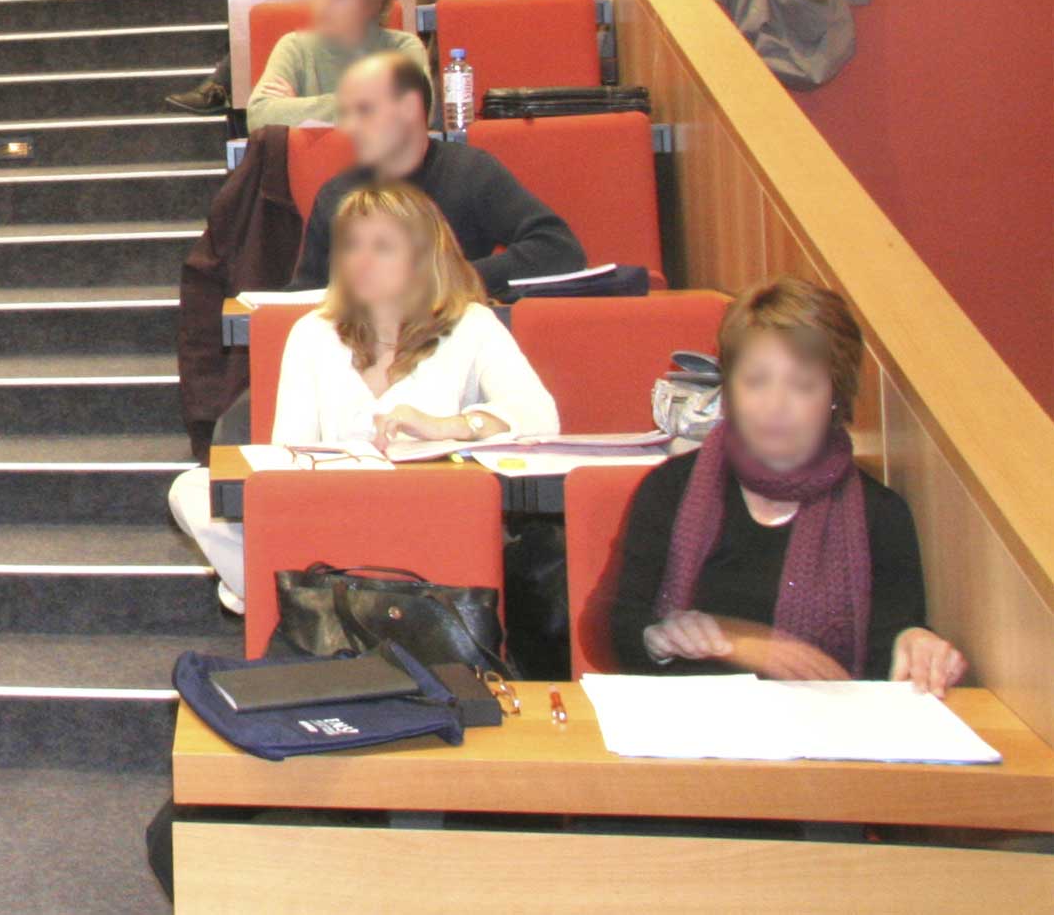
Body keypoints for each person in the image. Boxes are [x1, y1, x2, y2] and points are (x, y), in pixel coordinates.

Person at [167, 182, 559, 607]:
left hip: (432, 519)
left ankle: (298, 603)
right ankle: (315, 600)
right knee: (190, 489)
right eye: (352, 245)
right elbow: (285, 457)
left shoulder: (471, 325)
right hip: (333, 518)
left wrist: (452, 427)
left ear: (423, 257)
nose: (362, 261)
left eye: (382, 247)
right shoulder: (312, 332)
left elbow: (540, 416)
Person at [606, 277, 961, 692]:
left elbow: (889, 645)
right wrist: (658, 638)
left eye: (801, 384)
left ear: (834, 396)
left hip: (826, 740)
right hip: (696, 737)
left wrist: (915, 644)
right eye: (755, 381)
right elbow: (617, 627)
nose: (775, 405)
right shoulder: (669, 490)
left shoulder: (880, 514)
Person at [289, 53, 586, 294]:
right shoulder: (337, 194)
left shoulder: (470, 172)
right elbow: (308, 293)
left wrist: (451, 280)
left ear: (409, 107)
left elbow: (558, 249)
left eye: (365, 110)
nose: (350, 126)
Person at [244, 0, 427, 132]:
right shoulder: (294, 46)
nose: (325, 3)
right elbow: (260, 116)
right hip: (314, 161)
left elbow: (413, 112)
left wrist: (298, 106)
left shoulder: (404, 47)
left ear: (375, 0)